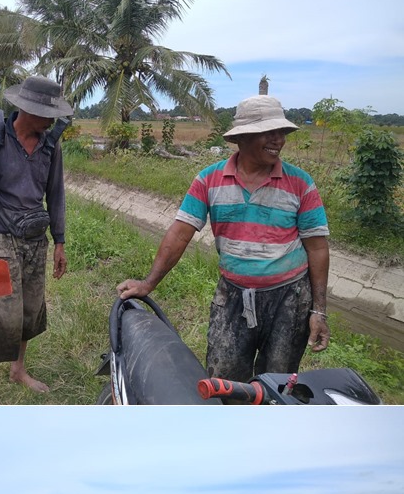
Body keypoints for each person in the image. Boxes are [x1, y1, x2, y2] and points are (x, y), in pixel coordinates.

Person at [117, 95, 331, 382]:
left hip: (289, 300)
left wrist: (318, 310)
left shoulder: (300, 183)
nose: (278, 140)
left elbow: (317, 248)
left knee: (277, 386)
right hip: (232, 295)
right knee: (224, 383)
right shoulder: (209, 180)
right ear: (242, 138)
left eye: (281, 133)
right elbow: (180, 234)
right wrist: (148, 283)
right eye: (268, 132)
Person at [0, 75, 73, 403]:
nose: (53, 120)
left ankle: (18, 369)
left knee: (28, 311)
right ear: (27, 109)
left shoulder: (50, 146)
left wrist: (59, 241)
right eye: (48, 113)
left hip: (34, 242)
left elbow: (56, 195)